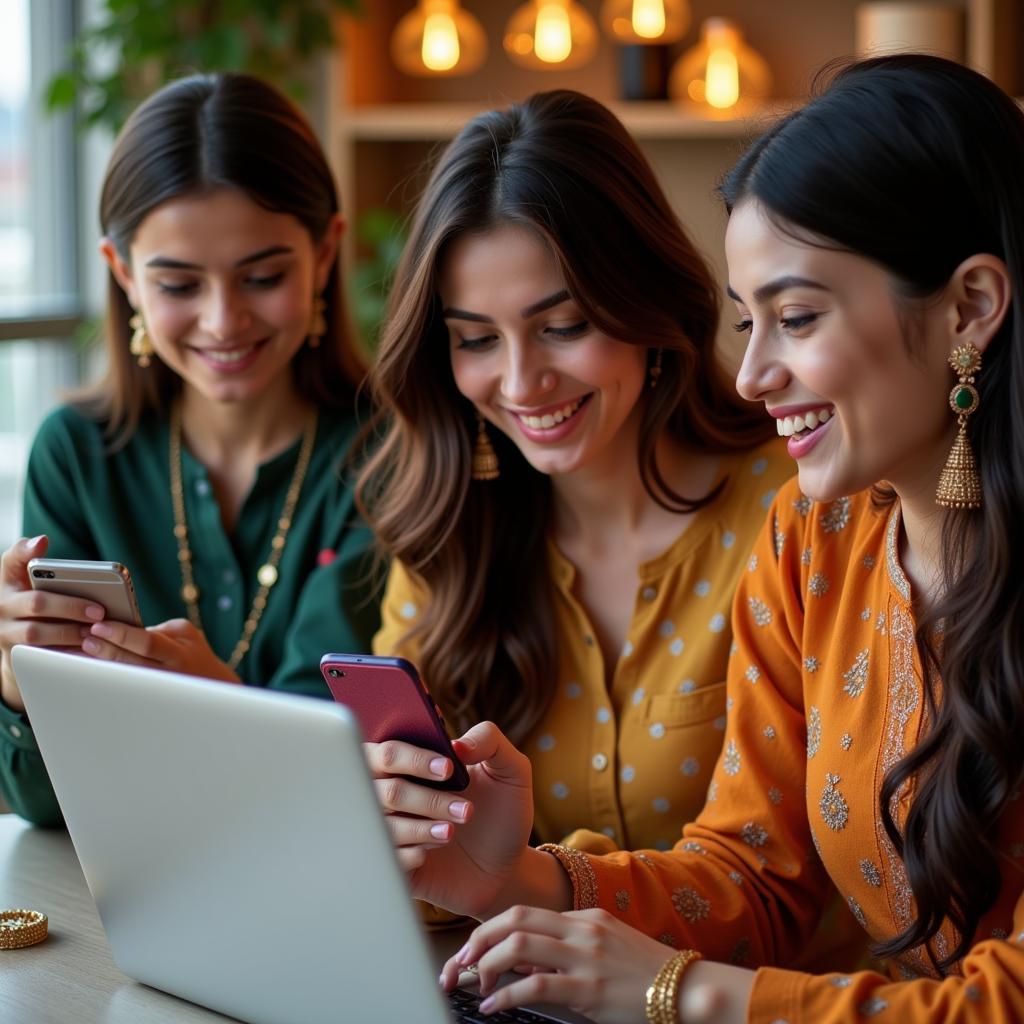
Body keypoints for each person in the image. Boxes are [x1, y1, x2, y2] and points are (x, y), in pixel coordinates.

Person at [374, 55, 1024, 1023]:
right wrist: (520, 877)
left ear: (969, 305)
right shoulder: (816, 536)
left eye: (796, 318)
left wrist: (675, 991)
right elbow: (750, 875)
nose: (753, 373)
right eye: (746, 322)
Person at [358, 89, 796, 876]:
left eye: (563, 327)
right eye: (477, 340)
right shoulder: (449, 533)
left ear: (646, 300)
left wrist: (534, 883)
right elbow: (419, 858)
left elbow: (789, 873)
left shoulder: (792, 507)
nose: (522, 382)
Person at [0, 73, 379, 827]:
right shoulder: (77, 454)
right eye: (178, 283)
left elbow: (356, 782)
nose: (223, 320)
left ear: (327, 252)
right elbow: (48, 805)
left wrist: (213, 706)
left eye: (263, 277)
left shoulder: (393, 459)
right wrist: (20, 687)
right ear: (122, 274)